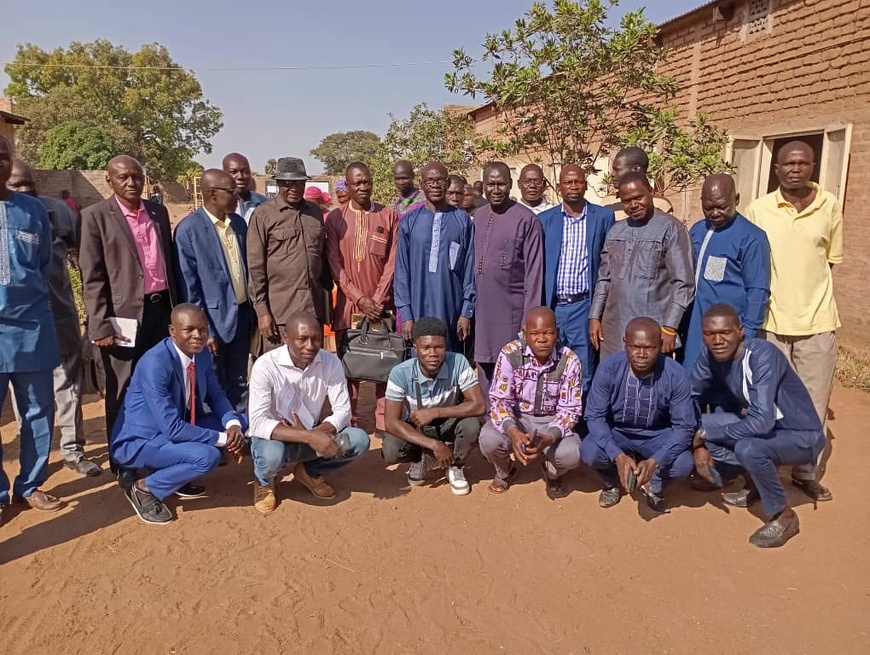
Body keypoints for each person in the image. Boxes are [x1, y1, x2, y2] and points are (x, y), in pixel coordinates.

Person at [744, 140, 840, 502]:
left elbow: (828, 261)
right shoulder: (759, 210)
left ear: (812, 166)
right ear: (777, 169)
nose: (796, 169)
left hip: (817, 322)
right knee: (765, 402)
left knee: (813, 403)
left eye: (803, 163)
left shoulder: (829, 206)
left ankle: (805, 472)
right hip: (772, 322)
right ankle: (762, 471)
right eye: (788, 163)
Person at [691, 303, 826, 548]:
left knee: (748, 448)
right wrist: (698, 443)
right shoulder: (709, 355)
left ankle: (784, 515)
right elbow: (690, 395)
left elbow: (762, 421)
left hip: (800, 435)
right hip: (764, 429)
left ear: (740, 331)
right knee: (696, 425)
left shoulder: (762, 355)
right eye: (710, 334)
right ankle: (754, 483)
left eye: (725, 333)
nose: (718, 340)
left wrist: (705, 434)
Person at [80, 155, 177, 486]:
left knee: (162, 384)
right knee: (121, 389)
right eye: (123, 177)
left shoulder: (158, 212)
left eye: (136, 176)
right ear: (110, 181)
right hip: (122, 319)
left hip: (161, 310)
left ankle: (158, 452)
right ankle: (122, 458)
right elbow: (91, 277)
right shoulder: (94, 217)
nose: (131, 183)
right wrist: (100, 324)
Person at [6, 159, 100, 477]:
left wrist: (86, 306)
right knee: (28, 397)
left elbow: (80, 254)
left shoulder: (57, 212)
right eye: (16, 185)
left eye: (28, 183)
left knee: (68, 384)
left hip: (59, 317)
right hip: (16, 327)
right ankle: (31, 464)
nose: (24, 189)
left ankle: (73, 450)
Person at [111, 305, 247, 524]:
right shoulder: (155, 363)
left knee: (241, 421)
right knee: (207, 456)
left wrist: (233, 427)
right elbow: (172, 428)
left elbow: (216, 394)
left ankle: (176, 475)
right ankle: (144, 488)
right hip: (141, 440)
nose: (198, 336)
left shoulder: (200, 354)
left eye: (203, 329)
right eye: (189, 330)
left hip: (178, 426)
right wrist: (225, 440)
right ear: (172, 331)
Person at [247, 312, 370, 514]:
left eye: (316, 339)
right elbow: (258, 423)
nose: (310, 346)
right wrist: (308, 436)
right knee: (271, 457)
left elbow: (343, 410)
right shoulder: (265, 366)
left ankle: (309, 472)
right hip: (276, 438)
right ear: (286, 338)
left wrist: (317, 433)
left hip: (314, 431)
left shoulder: (330, 362)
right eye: (302, 339)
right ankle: (264, 482)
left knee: (358, 440)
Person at [0, 136, 64, 522]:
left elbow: (43, 264)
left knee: (39, 409)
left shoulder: (32, 210)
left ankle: (29, 485)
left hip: (32, 326)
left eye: (4, 157)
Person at [581, 317, 696, 513]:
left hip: (656, 434)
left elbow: (684, 427)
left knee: (684, 463)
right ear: (624, 343)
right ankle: (612, 482)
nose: (641, 354)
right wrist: (617, 455)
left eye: (649, 348)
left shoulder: (676, 374)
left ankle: (653, 484)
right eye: (635, 346)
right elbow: (595, 416)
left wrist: (656, 460)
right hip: (617, 431)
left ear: (660, 345)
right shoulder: (609, 368)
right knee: (589, 451)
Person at [325, 162, 399, 433]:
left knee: (384, 365)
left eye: (366, 182)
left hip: (381, 307)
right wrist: (359, 298)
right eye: (357, 183)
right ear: (348, 185)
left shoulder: (389, 216)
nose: (363, 187)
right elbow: (334, 263)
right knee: (349, 369)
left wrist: (376, 300)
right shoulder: (336, 218)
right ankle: (350, 423)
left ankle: (383, 423)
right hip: (348, 306)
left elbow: (393, 261)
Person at [590, 172, 694, 361]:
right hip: (614, 331)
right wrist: (594, 316)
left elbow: (683, 284)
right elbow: (604, 278)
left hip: (652, 331)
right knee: (614, 381)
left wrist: (670, 327)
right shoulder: (616, 231)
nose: (633, 205)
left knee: (650, 387)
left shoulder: (672, 229)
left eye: (639, 197)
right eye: (627, 201)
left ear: (651, 191)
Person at [480, 307, 583, 497]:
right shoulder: (510, 354)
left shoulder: (569, 360)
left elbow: (571, 410)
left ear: (557, 333)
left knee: (572, 454)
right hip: (517, 418)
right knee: (488, 439)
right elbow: (499, 401)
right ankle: (505, 471)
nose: (542, 339)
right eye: (535, 333)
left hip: (551, 421)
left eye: (548, 333)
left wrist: (548, 438)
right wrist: (514, 432)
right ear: (525, 333)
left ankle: (552, 471)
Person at [174, 169, 251, 413]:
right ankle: (218, 434)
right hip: (212, 323)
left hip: (242, 316)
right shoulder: (189, 230)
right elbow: (189, 286)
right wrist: (203, 330)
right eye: (230, 191)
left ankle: (241, 430)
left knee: (239, 378)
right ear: (210, 193)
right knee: (213, 382)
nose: (236, 195)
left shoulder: (238, 224)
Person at [382, 317, 485, 495]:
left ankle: (455, 466)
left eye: (439, 347)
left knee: (472, 425)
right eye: (426, 348)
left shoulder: (458, 362)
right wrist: (434, 445)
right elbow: (391, 422)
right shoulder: (400, 373)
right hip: (417, 426)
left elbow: (479, 406)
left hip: (448, 423)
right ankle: (421, 458)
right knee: (391, 449)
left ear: (446, 346)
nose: (433, 353)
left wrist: (435, 412)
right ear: (415, 347)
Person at [539, 164, 615, 393]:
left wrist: (597, 312)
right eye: (568, 182)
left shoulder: (602, 217)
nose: (574, 187)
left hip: (584, 306)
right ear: (559, 186)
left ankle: (580, 423)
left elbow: (607, 263)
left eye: (578, 181)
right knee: (552, 364)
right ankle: (554, 419)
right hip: (554, 306)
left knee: (584, 368)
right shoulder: (545, 220)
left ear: (585, 184)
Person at [683, 174, 770, 371]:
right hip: (694, 329)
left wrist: (745, 338)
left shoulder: (751, 238)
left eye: (721, 206)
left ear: (736, 199)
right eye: (708, 208)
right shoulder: (697, 230)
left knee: (723, 393)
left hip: (724, 333)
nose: (715, 213)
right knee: (691, 388)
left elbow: (758, 291)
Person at [247, 156, 332, 354]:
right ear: (278, 184)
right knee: (281, 375)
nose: (294, 188)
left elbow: (323, 261)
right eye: (287, 183)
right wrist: (263, 313)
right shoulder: (263, 215)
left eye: (299, 183)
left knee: (313, 373)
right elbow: (255, 268)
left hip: (313, 312)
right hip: (280, 316)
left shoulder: (314, 212)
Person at [473, 161, 544, 385]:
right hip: (481, 312)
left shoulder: (527, 220)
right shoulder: (479, 216)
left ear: (511, 185)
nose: (495, 190)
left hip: (511, 313)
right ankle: (487, 418)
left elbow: (534, 272)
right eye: (490, 184)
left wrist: (529, 318)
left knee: (512, 368)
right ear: (483, 185)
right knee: (484, 367)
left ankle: (509, 419)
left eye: (501, 184)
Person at [394, 161, 475, 353]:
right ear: (421, 185)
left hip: (451, 311)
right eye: (430, 181)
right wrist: (405, 313)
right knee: (419, 365)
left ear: (447, 183)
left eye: (440, 180)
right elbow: (401, 271)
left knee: (450, 364)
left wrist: (466, 312)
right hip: (417, 309)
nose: (435, 185)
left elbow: (470, 269)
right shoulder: (409, 222)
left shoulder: (462, 220)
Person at [601, 146, 674, 220]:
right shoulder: (608, 201)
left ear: (636, 169)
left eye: (617, 170)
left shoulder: (660, 204)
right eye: (626, 201)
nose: (612, 175)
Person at [222, 152, 268, 224]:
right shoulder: (219, 207)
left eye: (245, 171)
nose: (240, 176)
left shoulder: (265, 204)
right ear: (223, 175)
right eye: (233, 172)